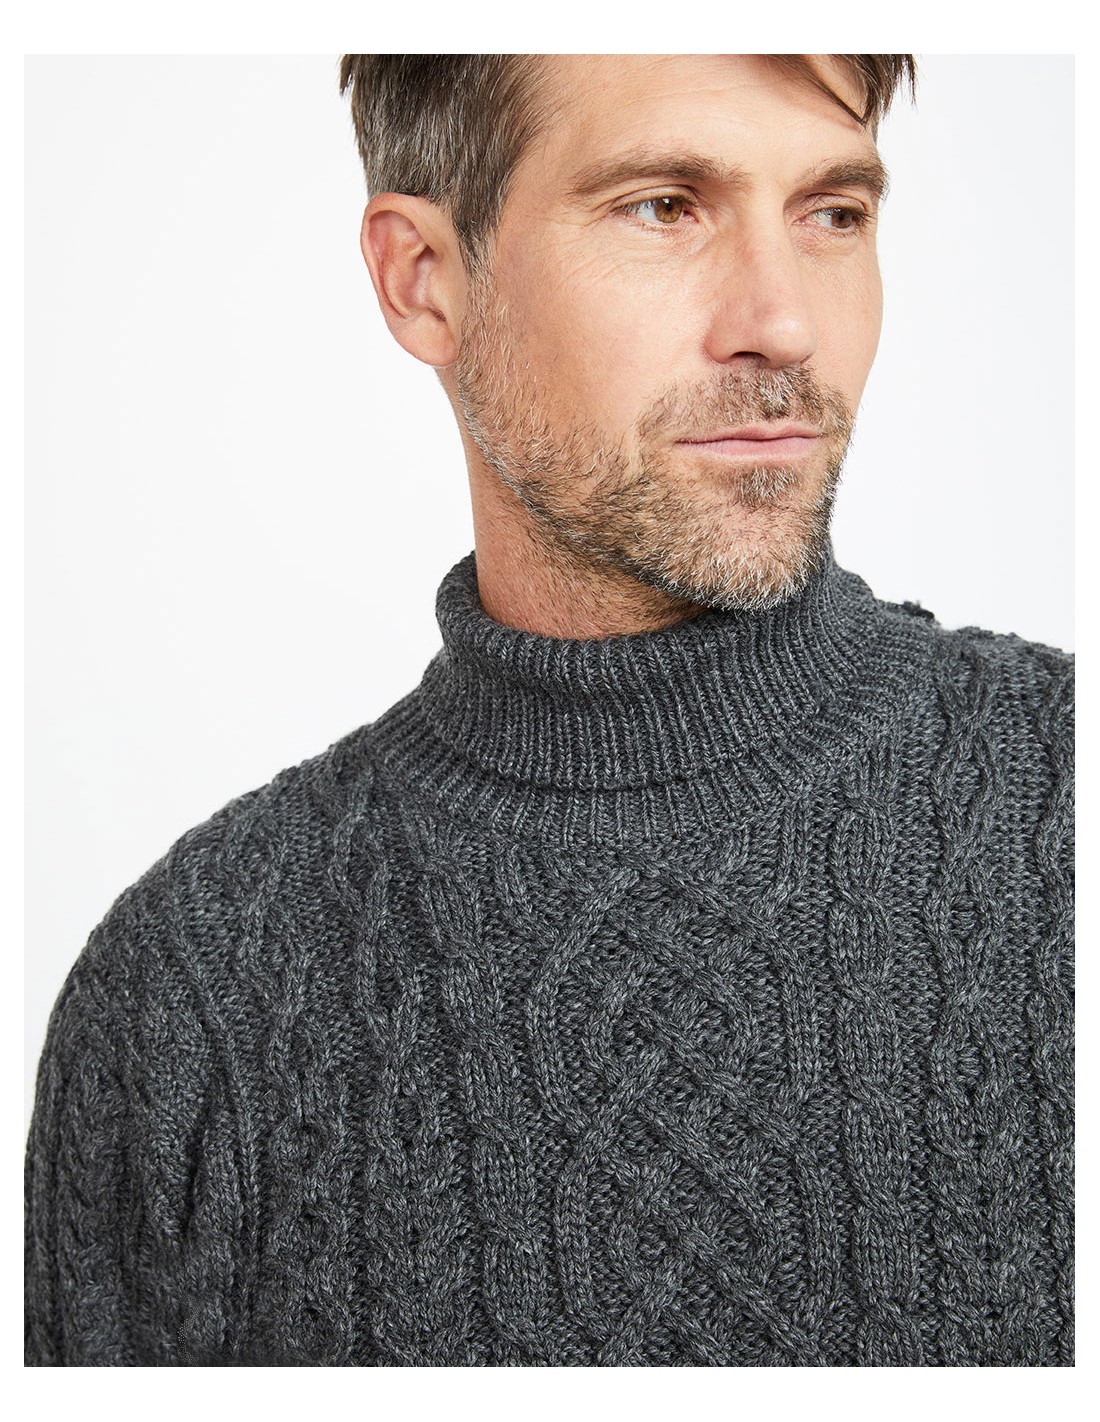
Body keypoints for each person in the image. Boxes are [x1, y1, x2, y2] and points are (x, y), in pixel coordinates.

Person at [24, 53, 1073, 1368]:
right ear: (423, 278)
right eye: (663, 207)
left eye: (833, 212)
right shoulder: (190, 1004)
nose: (785, 322)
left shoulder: (1064, 806)